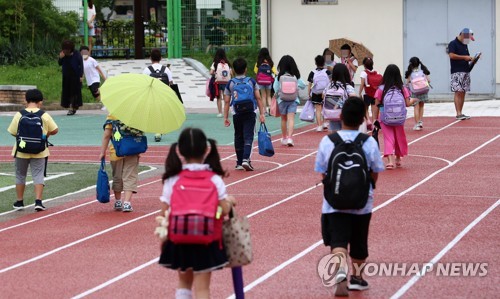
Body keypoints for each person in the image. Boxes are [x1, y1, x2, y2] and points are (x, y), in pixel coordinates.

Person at [314, 97, 384, 296]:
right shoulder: (369, 142)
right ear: (363, 119)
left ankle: (340, 272)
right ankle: (358, 278)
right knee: (359, 242)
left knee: (338, 241)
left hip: (334, 203)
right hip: (362, 203)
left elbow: (322, 171)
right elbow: (376, 170)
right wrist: (369, 187)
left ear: (341, 116)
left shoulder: (328, 141)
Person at [158, 127, 235, 299]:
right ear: (206, 149)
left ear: (180, 151)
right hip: (207, 239)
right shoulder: (214, 178)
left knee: (184, 283)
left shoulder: (173, 178)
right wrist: (229, 202)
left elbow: (165, 211)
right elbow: (223, 209)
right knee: (202, 289)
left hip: (180, 238)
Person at [7, 89, 59, 211]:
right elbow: (55, 129)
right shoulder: (44, 115)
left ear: (26, 100)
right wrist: (45, 135)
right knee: (38, 175)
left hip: (21, 150)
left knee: (20, 175)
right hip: (40, 150)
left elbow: (13, 132)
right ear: (40, 101)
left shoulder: (20, 114)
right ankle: (38, 201)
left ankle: (20, 201)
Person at [224, 58, 266, 171]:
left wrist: (225, 117)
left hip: (236, 113)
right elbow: (258, 98)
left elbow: (227, 101)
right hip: (250, 111)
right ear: (246, 69)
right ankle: (246, 159)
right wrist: (262, 113)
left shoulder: (231, 83)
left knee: (238, 135)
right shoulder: (251, 81)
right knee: (248, 135)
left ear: (232, 70)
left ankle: (239, 162)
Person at [372, 64, 417, 169]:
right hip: (399, 117)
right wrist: (414, 100)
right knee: (399, 137)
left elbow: (376, 104)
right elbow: (407, 103)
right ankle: (397, 157)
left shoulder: (381, 89)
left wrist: (375, 118)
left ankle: (390, 161)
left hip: (385, 117)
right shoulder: (402, 88)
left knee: (388, 138)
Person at [99, 115, 141, 212]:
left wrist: (102, 152)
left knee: (117, 176)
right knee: (129, 176)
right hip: (132, 150)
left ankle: (118, 201)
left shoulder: (112, 115)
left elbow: (107, 135)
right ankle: (126, 203)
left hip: (116, 150)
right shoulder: (136, 115)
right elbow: (139, 135)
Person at [273, 55, 306, 146]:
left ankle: (284, 138)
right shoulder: (295, 77)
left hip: (282, 100)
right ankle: (290, 138)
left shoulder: (279, 77)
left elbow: (275, 88)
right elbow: (303, 85)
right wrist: (295, 87)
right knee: (291, 119)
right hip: (293, 100)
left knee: (283, 119)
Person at [143, 48, 174, 142]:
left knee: (154, 112)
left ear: (150, 58)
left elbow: (144, 83)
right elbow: (171, 83)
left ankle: (156, 131)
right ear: (161, 58)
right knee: (161, 112)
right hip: (163, 95)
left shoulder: (147, 70)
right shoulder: (166, 69)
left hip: (152, 94)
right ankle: (159, 131)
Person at [448, 28, 477, 120]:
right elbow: (451, 55)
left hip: (465, 70)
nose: (468, 41)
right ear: (463, 35)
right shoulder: (453, 43)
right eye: (468, 38)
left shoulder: (464, 45)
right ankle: (458, 113)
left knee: (463, 91)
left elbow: (466, 58)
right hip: (457, 71)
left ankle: (461, 112)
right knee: (458, 91)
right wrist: (464, 57)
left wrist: (473, 60)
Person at [324, 63, 356, 133]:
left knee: (335, 135)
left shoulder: (329, 86)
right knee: (346, 134)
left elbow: (323, 95)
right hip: (345, 114)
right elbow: (354, 98)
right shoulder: (347, 86)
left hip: (332, 113)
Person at [404, 57, 431, 131]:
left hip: (415, 92)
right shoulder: (423, 71)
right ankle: (420, 121)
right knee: (421, 106)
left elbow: (407, 83)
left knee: (416, 107)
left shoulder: (410, 73)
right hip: (423, 91)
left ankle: (416, 124)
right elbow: (429, 80)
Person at [58, 40, 83, 116]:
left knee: (74, 92)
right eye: (64, 49)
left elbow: (81, 65)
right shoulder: (63, 54)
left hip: (75, 76)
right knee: (67, 91)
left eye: (67, 49)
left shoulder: (77, 54)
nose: (65, 51)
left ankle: (73, 107)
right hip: (66, 76)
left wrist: (81, 76)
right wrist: (60, 58)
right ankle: (69, 106)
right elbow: (60, 63)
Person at [307, 55, 331, 132]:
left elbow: (310, 84)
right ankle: (324, 123)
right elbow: (331, 81)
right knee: (325, 108)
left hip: (316, 93)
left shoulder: (312, 72)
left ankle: (319, 125)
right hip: (326, 92)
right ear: (324, 63)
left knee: (318, 110)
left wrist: (309, 94)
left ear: (315, 63)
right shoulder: (327, 72)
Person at [358, 57, 381, 128]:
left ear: (364, 65)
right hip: (375, 93)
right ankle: (374, 122)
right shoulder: (377, 72)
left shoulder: (363, 73)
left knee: (365, 108)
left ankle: (368, 120)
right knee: (374, 109)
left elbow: (362, 84)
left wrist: (359, 93)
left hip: (367, 93)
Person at [254, 47, 277, 116]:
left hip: (261, 81)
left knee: (263, 96)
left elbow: (255, 71)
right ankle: (271, 110)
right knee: (269, 96)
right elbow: (275, 72)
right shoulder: (270, 62)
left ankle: (265, 111)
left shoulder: (258, 62)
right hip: (269, 81)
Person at [209, 48, 231, 118]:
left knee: (219, 97)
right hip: (226, 82)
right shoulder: (227, 62)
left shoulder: (215, 63)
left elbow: (211, 72)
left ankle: (220, 112)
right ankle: (226, 112)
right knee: (225, 97)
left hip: (217, 82)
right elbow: (231, 72)